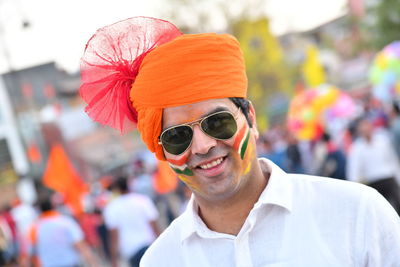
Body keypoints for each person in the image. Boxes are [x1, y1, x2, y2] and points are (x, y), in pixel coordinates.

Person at [79, 17, 400, 266]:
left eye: (216, 122)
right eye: (178, 136)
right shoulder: (161, 260)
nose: (203, 146)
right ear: (161, 151)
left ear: (251, 118)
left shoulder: (355, 213)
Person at [347, 117, 400, 213]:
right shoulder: (357, 148)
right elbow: (354, 171)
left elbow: (392, 160)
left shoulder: (383, 140)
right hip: (373, 183)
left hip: (388, 179)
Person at [103, 176, 160, 267]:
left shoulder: (111, 208)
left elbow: (114, 236)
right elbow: (154, 225)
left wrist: (114, 260)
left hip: (131, 251)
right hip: (150, 244)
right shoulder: (142, 200)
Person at [27, 197, 96, 267]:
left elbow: (32, 253)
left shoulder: (34, 228)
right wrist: (92, 263)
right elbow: (81, 245)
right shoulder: (65, 222)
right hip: (70, 263)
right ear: (53, 206)